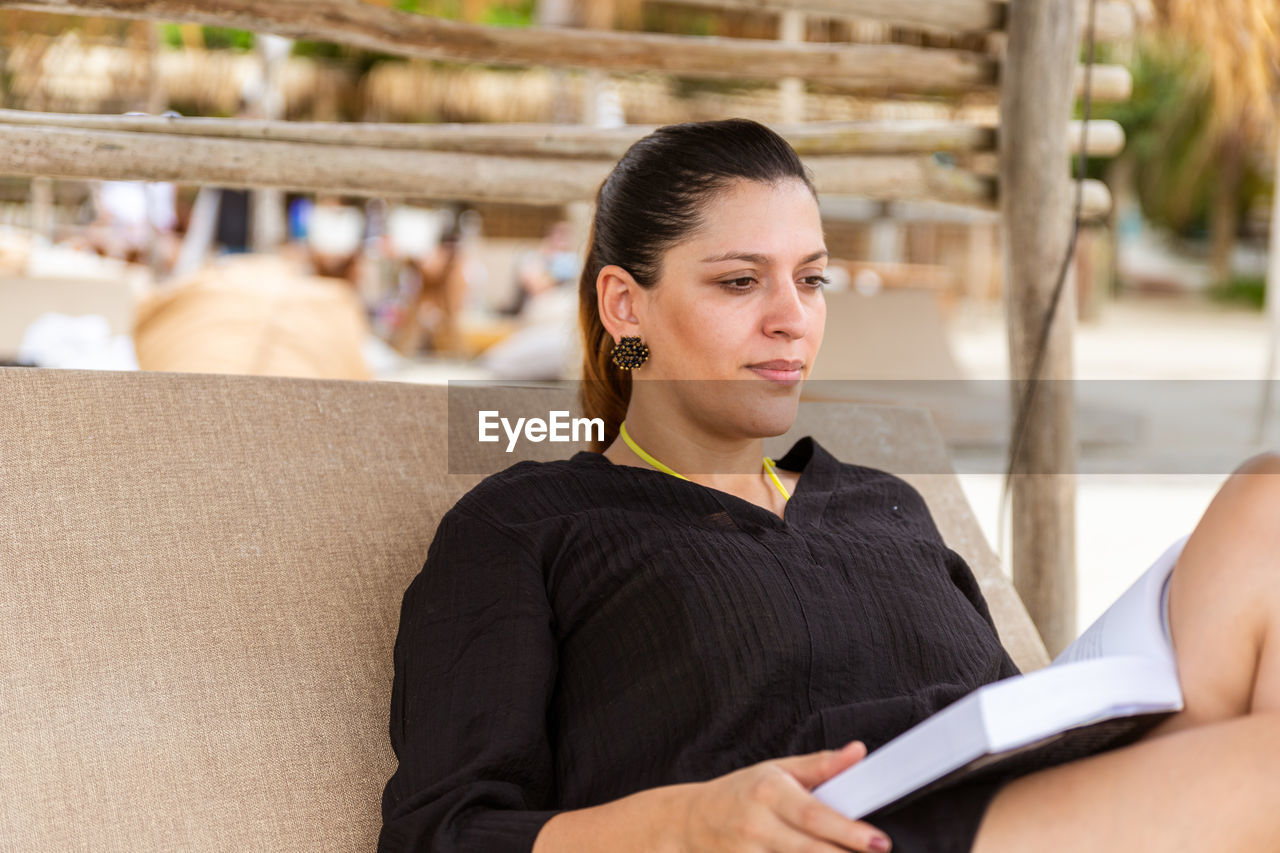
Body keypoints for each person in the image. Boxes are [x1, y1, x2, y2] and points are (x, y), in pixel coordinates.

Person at [379, 119, 1280, 852]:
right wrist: (687, 823)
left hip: (999, 806)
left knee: (1267, 499)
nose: (791, 320)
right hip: (829, 836)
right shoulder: (526, 526)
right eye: (740, 281)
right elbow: (441, 833)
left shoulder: (879, 502)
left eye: (812, 280)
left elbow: (1005, 715)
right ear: (625, 305)